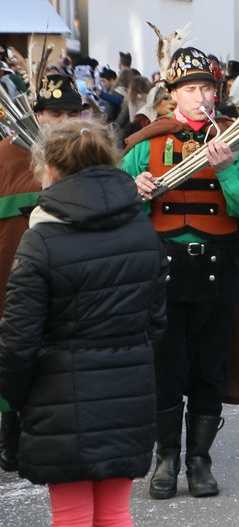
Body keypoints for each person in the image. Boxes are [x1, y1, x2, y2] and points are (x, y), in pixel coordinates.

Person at [123, 44, 239, 499]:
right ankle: (166, 459)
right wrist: (133, 189)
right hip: (160, 272)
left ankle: (199, 461)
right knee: (166, 368)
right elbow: (110, 201)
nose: (200, 95)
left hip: (218, 269)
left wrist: (228, 168)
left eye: (207, 86)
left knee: (209, 368)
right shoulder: (146, 142)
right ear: (173, 95)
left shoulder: (235, 139)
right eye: (190, 88)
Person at [0, 119, 168, 526]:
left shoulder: (41, 237)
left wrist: (16, 400)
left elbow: (18, 340)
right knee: (114, 513)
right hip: (128, 391)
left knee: (72, 516)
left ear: (50, 169)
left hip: (58, 397)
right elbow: (156, 321)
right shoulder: (141, 226)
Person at [0, 74, 85, 474]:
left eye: (71, 112)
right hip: (11, 276)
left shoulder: (89, 158)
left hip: (71, 279)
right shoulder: (4, 158)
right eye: (54, 113)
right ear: (37, 114)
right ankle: (11, 437)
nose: (62, 121)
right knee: (16, 353)